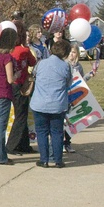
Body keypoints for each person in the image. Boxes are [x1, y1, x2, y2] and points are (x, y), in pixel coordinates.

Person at [30, 38, 72, 168]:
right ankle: (58, 160)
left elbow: (34, 76)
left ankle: (44, 159)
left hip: (39, 103)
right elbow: (68, 83)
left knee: (42, 132)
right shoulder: (65, 66)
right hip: (57, 104)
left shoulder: (41, 63)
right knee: (57, 132)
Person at [0, 27, 19, 165]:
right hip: (4, 92)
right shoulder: (7, 57)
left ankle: (1, 154)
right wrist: (18, 74)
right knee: (1, 126)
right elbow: (10, 79)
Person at [6, 24, 37, 155]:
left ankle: (23, 144)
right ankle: (11, 145)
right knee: (21, 115)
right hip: (20, 84)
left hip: (12, 84)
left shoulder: (9, 50)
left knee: (22, 114)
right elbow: (33, 62)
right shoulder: (23, 50)